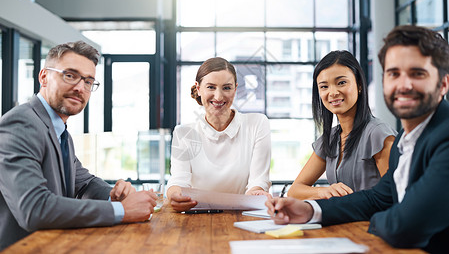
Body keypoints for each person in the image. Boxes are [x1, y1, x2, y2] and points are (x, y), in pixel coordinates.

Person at [266, 25, 449, 253]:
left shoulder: (442, 136)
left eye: (417, 73)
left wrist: (368, 224)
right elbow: (378, 198)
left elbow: (404, 224)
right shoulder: (408, 137)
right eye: (394, 73)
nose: (403, 84)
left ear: (443, 84)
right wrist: (311, 210)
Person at [0, 41, 157, 250]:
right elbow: (34, 209)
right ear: (44, 77)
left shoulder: (59, 130)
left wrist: (114, 194)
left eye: (88, 81)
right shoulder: (21, 124)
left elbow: (82, 183)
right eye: (70, 75)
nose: (79, 88)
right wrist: (121, 211)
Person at [166, 57, 271, 212]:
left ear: (235, 89)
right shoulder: (184, 134)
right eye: (211, 87)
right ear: (198, 88)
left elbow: (259, 180)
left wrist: (256, 192)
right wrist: (175, 195)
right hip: (197, 218)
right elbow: (178, 181)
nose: (219, 96)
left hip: (242, 215)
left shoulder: (257, 124)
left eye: (226, 88)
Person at [287, 51, 396, 200]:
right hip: (343, 221)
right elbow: (295, 191)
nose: (333, 92)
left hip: (372, 221)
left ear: (359, 85)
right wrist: (323, 191)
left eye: (341, 83)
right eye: (324, 86)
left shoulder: (378, 133)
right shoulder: (330, 138)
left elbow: (394, 194)